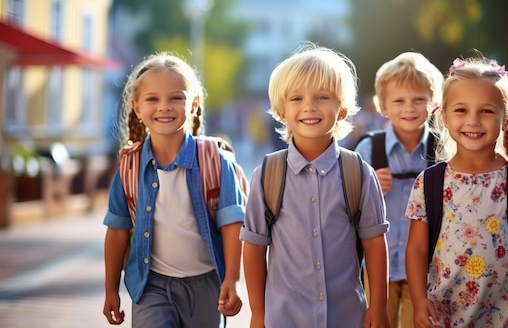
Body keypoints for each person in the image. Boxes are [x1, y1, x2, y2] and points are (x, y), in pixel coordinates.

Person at [240, 42, 391, 328]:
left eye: (322, 96)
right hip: (284, 320)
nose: (309, 106)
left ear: (342, 109)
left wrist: (378, 305)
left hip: (346, 318)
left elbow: (374, 243)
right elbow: (254, 248)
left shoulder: (358, 173)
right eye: (296, 98)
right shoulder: (268, 174)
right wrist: (258, 314)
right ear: (282, 111)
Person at [405, 57, 508, 327]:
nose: (473, 120)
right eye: (461, 110)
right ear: (444, 117)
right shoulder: (428, 184)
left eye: (485, 111)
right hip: (444, 316)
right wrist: (418, 300)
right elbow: (415, 248)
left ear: (506, 120)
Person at [102, 52, 245, 327]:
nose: (164, 107)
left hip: (207, 286)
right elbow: (117, 231)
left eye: (176, 98)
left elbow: (232, 224)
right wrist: (111, 289)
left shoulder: (215, 160)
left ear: (194, 104)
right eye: (152, 99)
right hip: (150, 285)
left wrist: (232, 280)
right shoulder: (129, 165)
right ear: (137, 107)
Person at [354, 52, 443, 328]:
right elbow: (347, 207)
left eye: (419, 100)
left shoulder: (442, 151)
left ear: (433, 104)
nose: (409, 108)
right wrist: (368, 191)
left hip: (428, 269)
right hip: (378, 269)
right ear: (383, 107)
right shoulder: (368, 149)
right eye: (399, 101)